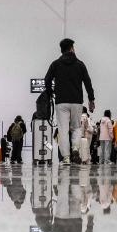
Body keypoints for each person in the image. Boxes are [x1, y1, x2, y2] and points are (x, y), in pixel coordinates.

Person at [44, 38, 95, 166]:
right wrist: (91, 99)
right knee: (76, 127)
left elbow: (47, 80)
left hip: (61, 102)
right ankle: (75, 149)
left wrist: (51, 92)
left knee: (63, 130)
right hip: (76, 101)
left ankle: (66, 158)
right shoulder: (80, 64)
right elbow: (88, 82)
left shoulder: (55, 64)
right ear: (71, 48)